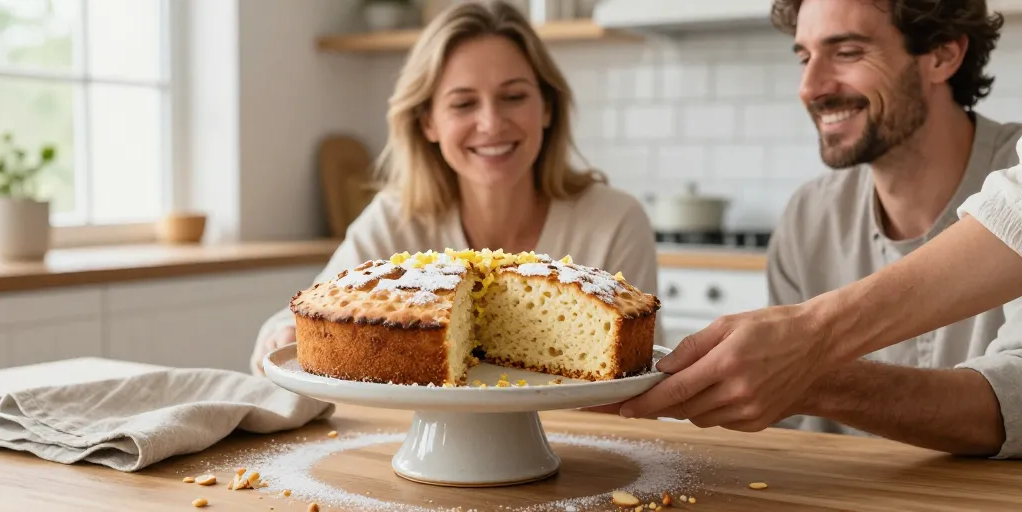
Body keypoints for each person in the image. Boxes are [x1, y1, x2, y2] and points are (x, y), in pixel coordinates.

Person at [603, 0, 1022, 459]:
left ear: (943, 56)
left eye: (847, 52)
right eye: (804, 57)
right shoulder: (809, 215)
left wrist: (814, 372)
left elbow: (1013, 400)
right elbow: (786, 433)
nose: (810, 86)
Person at [249, 0, 660, 375]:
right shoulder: (396, 218)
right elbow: (305, 321)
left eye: (514, 96)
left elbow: (636, 374)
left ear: (547, 107)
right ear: (428, 121)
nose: (491, 123)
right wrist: (281, 336)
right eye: (463, 104)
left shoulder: (614, 221)